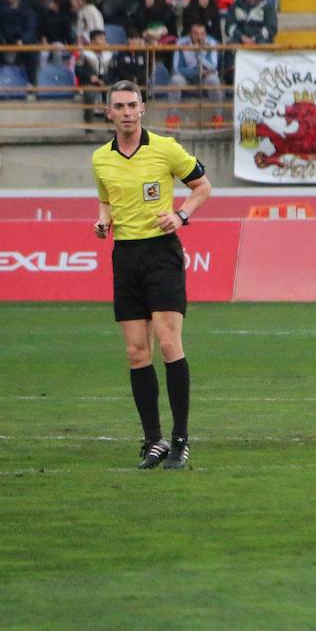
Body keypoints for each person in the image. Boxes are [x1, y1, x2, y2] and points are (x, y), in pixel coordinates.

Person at [91, 80, 211, 469]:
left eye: (132, 105)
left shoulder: (166, 149)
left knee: (168, 343)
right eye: (119, 106)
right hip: (125, 256)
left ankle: (180, 440)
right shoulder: (100, 159)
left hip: (161, 254)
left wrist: (180, 215)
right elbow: (106, 199)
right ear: (108, 112)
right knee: (135, 352)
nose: (126, 112)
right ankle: (153, 440)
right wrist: (103, 220)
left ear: (143, 109)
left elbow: (202, 186)